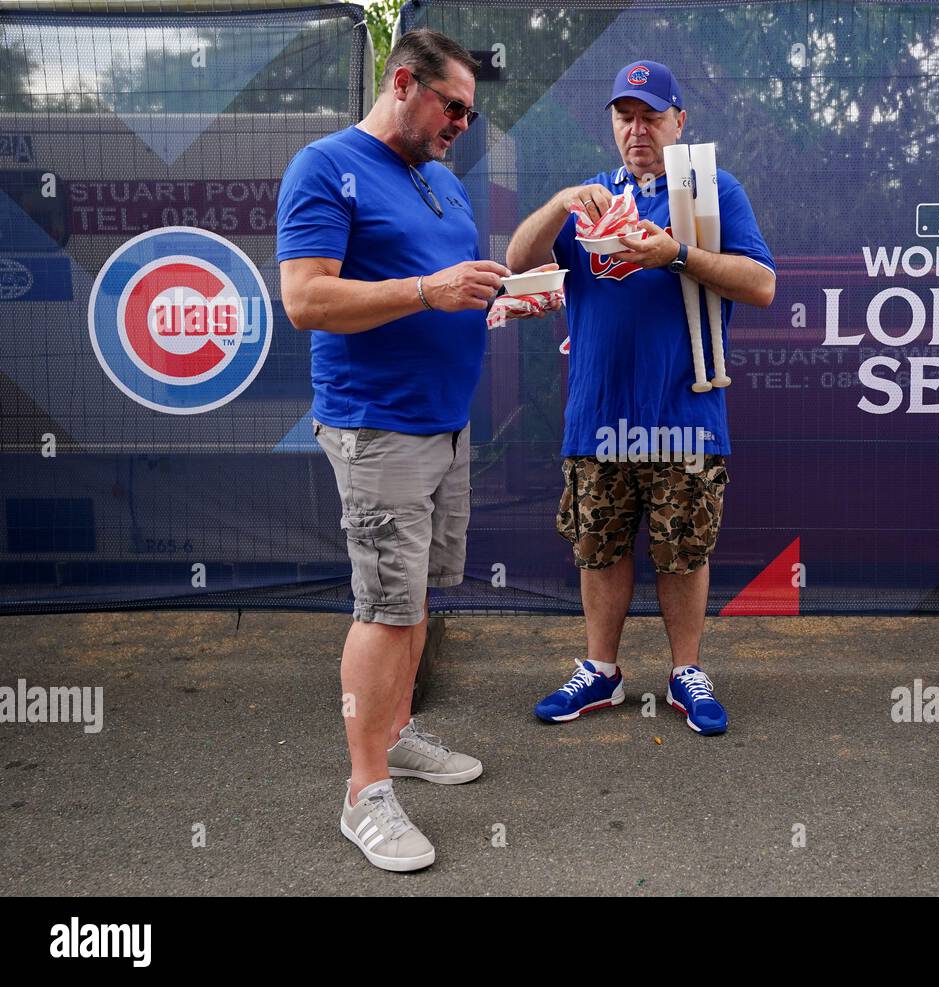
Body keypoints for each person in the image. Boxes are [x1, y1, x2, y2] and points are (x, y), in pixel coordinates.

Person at [277, 29, 541, 872]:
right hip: (376, 424)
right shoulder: (324, 167)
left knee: (417, 592)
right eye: (452, 105)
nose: (462, 121)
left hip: (444, 423)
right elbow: (307, 298)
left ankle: (398, 732)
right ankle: (365, 793)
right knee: (384, 607)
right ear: (402, 82)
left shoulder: (439, 184)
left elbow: (447, 295)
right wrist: (430, 289)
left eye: (470, 110)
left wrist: (499, 302)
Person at [506, 59, 776, 736]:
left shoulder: (710, 194)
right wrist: (559, 203)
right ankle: (602, 669)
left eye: (651, 115)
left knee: (682, 550)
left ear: (679, 122)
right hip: (597, 417)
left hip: (685, 412)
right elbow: (515, 262)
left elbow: (761, 283)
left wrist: (677, 254)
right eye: (624, 117)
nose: (637, 129)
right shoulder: (592, 197)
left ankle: (687, 671)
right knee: (599, 546)